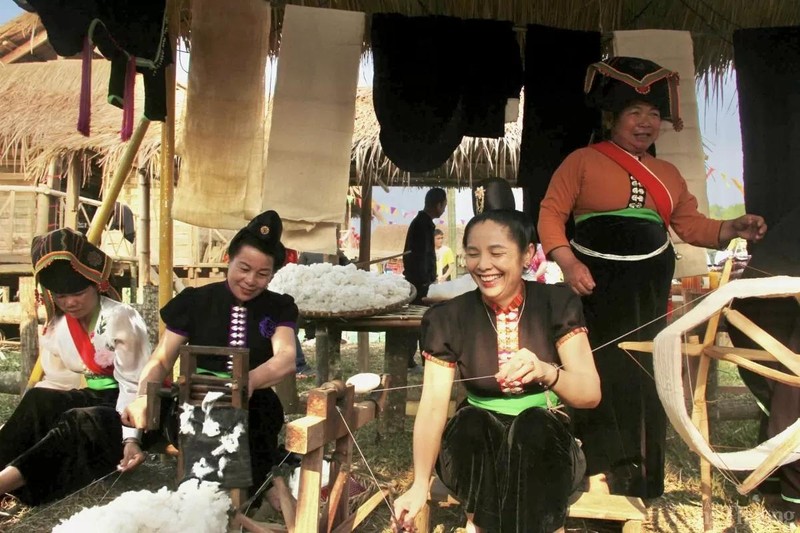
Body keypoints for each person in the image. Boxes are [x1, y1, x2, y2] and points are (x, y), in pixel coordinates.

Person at [537, 56, 768, 498]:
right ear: (612, 118)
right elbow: (550, 215)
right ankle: (594, 468)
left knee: (644, 369)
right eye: (634, 113)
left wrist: (730, 228)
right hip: (595, 281)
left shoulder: (668, 174)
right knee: (599, 366)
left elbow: (692, 226)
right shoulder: (582, 161)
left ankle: (640, 473)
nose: (645, 123)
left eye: (654, 115)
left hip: (648, 286)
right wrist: (568, 263)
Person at [393, 209, 600, 533]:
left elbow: (589, 394)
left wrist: (547, 372)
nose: (484, 265)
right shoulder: (448, 317)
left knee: (534, 427)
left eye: (497, 253)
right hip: (474, 450)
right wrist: (420, 484)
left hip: (546, 444)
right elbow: (433, 405)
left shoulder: (557, 303)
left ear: (528, 254)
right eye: (473, 253)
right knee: (472, 425)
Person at [122, 210, 297, 511]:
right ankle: (226, 498)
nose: (251, 280)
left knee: (253, 422)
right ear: (228, 258)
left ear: (272, 274)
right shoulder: (195, 301)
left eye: (262, 274)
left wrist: (248, 382)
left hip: (254, 403)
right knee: (202, 423)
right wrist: (143, 396)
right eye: (243, 268)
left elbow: (286, 357)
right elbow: (162, 359)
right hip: (196, 399)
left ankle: (234, 503)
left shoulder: (279, 306)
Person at [0, 228, 151, 505]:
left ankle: (4, 483)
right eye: (60, 296)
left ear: (96, 284)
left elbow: (135, 384)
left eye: (78, 293)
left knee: (80, 418)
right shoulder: (59, 323)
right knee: (38, 398)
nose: (70, 302)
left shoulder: (120, 317)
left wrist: (132, 440)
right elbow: (58, 382)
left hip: (133, 409)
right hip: (94, 398)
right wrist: (44, 407)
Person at [402, 187, 447, 370]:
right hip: (419, 283)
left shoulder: (423, 223)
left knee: (421, 323)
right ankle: (414, 360)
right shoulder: (422, 224)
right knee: (420, 323)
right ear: (439, 205)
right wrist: (424, 282)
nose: (444, 208)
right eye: (443, 205)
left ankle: (415, 360)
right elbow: (419, 257)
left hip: (422, 282)